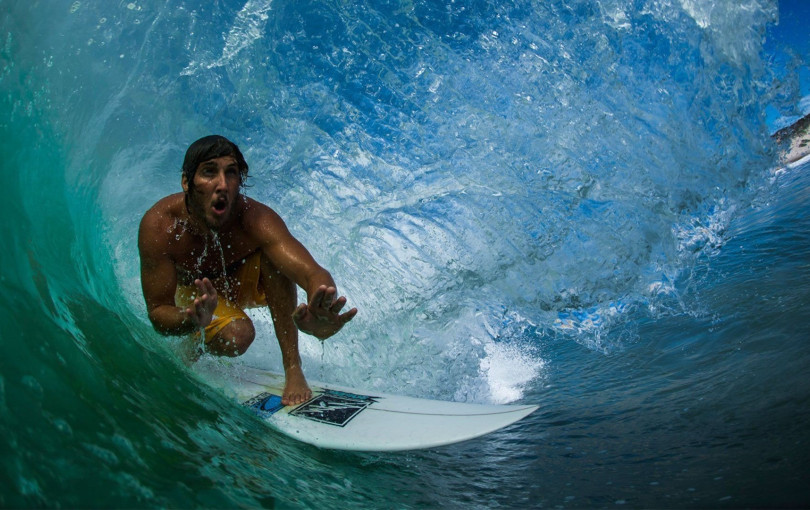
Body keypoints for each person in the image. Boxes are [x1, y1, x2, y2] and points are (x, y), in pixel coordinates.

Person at [138, 135, 357, 405]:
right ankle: (196, 339)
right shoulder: (160, 227)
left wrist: (320, 306)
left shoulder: (256, 220)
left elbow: (312, 273)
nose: (222, 185)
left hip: (241, 284)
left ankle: (293, 368)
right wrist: (191, 317)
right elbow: (158, 311)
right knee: (238, 335)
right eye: (209, 172)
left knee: (272, 259)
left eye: (231, 174)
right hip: (197, 299)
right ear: (186, 182)